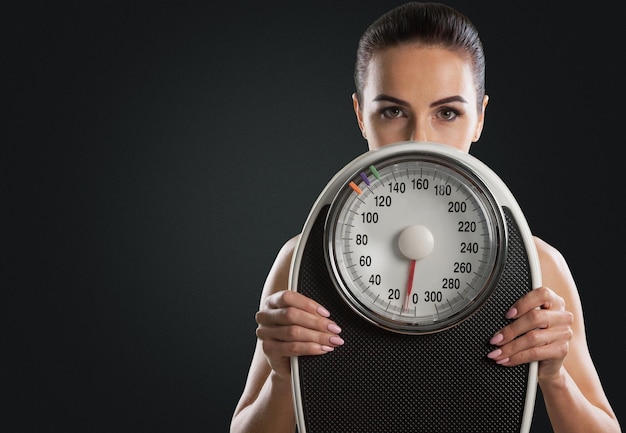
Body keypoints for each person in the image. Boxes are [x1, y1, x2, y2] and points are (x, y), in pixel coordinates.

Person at [229, 2, 621, 432]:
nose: (420, 138)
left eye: (447, 113)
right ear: (362, 115)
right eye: (393, 112)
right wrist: (283, 378)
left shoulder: (536, 266)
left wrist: (555, 378)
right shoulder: (302, 261)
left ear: (480, 119)